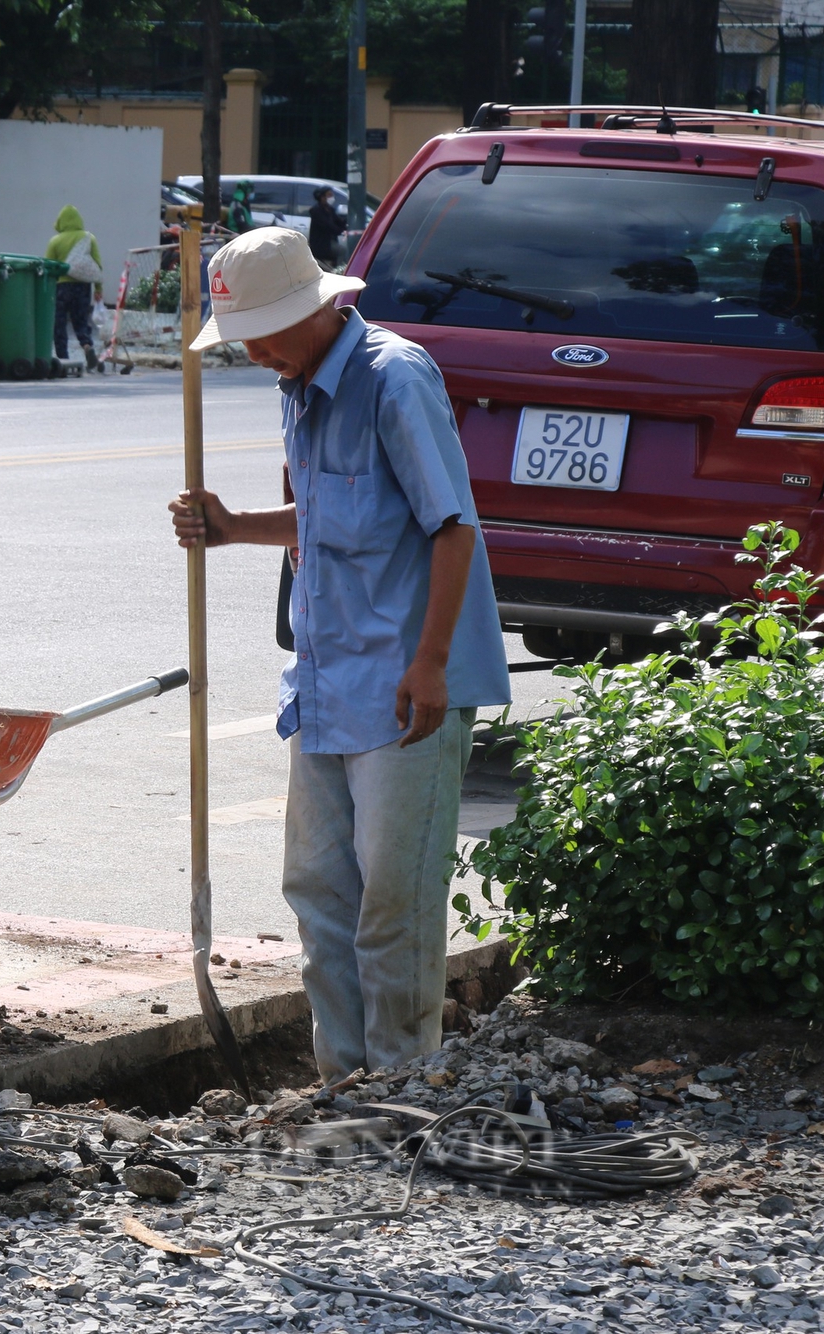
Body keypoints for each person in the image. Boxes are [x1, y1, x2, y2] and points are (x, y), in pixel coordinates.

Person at [167, 228, 509, 1084]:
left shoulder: (396, 378)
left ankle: (400, 1084)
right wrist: (234, 527)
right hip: (324, 682)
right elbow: (327, 517)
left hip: (404, 685)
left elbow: (452, 528)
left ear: (321, 310)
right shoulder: (297, 385)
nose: (253, 353)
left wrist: (429, 663)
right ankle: (343, 1085)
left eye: (265, 334)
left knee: (394, 904)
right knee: (320, 894)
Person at [44, 205, 104, 371]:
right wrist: (98, 289)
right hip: (83, 287)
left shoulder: (55, 241)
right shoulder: (89, 238)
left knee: (59, 323)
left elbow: (48, 267)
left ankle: (63, 358)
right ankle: (87, 346)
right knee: (81, 321)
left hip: (61, 287)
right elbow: (97, 265)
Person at [307, 186, 347, 268]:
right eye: (329, 195)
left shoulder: (330, 209)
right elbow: (328, 226)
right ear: (322, 197)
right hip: (322, 245)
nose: (331, 198)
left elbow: (339, 222)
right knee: (343, 251)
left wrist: (346, 223)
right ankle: (339, 272)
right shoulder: (316, 211)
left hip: (330, 241)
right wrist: (339, 230)